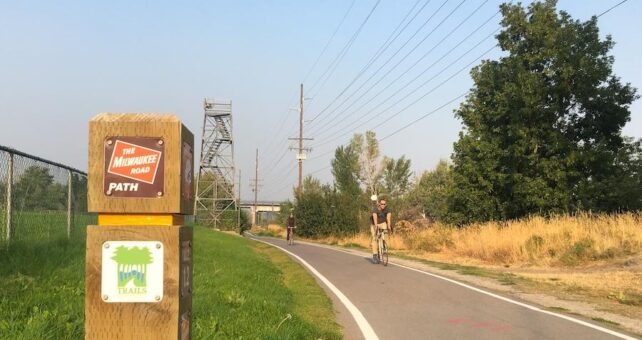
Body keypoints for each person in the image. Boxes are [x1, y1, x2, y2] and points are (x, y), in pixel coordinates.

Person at [371, 198, 392, 264]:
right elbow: (375, 218)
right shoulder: (375, 209)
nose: (383, 205)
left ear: (386, 204)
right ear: (379, 204)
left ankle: (384, 248)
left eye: (384, 204)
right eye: (381, 204)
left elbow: (388, 218)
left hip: (383, 223)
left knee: (385, 233)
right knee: (375, 238)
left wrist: (389, 226)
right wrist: (376, 226)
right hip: (374, 223)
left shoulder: (388, 209)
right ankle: (375, 255)